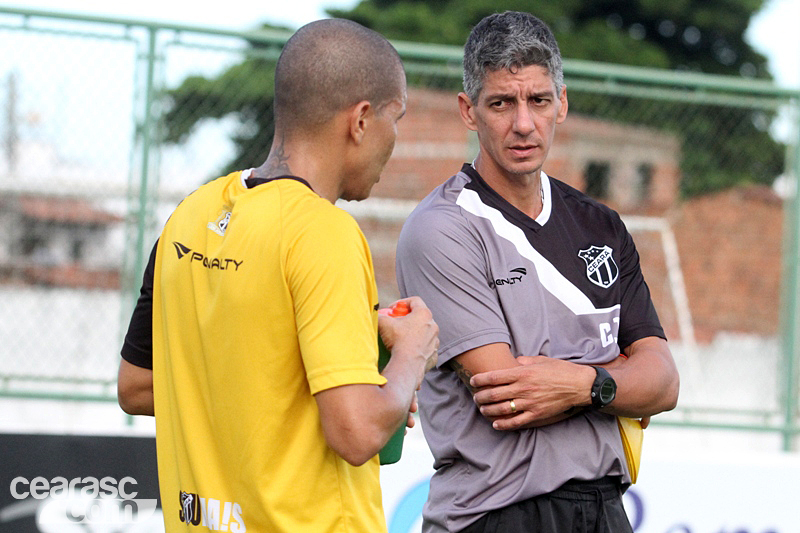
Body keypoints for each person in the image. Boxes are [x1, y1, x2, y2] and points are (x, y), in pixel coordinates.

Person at [116, 19, 438, 533]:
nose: (394, 139)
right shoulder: (324, 232)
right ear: (360, 120)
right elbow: (357, 432)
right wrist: (411, 355)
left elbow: (137, 386)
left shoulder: (190, 214)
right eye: (394, 118)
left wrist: (294, 377)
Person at [395, 11, 679, 533]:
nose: (523, 123)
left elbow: (663, 382)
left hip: (606, 507)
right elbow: (508, 396)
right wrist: (618, 375)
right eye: (501, 103)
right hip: (494, 513)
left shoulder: (601, 225)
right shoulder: (442, 228)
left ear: (562, 103)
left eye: (539, 101)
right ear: (469, 111)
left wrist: (583, 383)